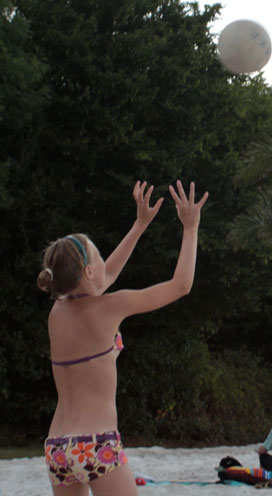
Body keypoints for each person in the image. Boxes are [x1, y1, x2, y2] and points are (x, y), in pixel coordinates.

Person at [37, 180, 208, 496]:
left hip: (58, 448)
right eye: (99, 254)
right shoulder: (108, 307)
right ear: (88, 272)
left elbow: (105, 277)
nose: (105, 260)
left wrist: (140, 225)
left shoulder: (57, 312)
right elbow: (181, 285)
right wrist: (190, 227)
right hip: (96, 443)